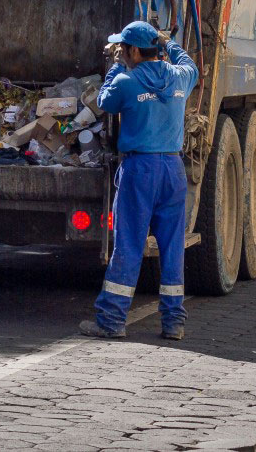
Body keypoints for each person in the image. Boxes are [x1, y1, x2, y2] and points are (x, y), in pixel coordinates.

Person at [79, 21, 199, 342]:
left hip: (139, 170)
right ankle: (173, 322)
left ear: (132, 50)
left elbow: (104, 101)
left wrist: (115, 66)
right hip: (173, 171)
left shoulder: (126, 82)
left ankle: (112, 319)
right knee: (173, 248)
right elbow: (190, 64)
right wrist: (168, 44)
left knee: (129, 244)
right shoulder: (179, 78)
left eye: (124, 48)